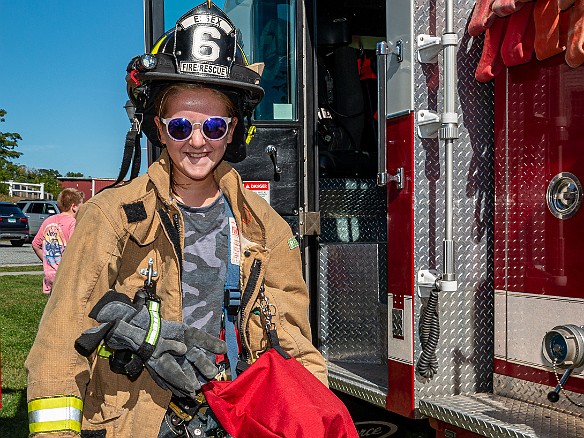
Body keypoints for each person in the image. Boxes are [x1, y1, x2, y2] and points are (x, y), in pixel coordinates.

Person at [26, 3, 327, 437]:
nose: (199, 142)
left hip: (235, 419)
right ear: (160, 128)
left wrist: (315, 417)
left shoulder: (265, 226)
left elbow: (295, 346)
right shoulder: (110, 218)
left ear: (235, 130)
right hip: (138, 422)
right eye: (182, 126)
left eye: (215, 126)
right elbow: (59, 344)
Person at [31, 188, 84, 294]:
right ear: (74, 206)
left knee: (52, 305)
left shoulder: (48, 220)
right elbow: (74, 249)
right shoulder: (72, 223)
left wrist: (48, 260)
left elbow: (35, 244)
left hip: (49, 274)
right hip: (65, 275)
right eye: (81, 205)